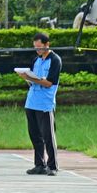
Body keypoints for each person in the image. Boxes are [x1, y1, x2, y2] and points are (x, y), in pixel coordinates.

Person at [17, 32, 62, 176]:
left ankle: (53, 166)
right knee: (35, 135)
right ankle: (39, 164)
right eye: (35, 48)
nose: (38, 50)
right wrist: (26, 77)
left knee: (48, 135)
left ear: (47, 45)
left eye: (40, 47)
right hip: (31, 102)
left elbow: (49, 83)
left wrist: (34, 79)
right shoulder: (36, 60)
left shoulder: (55, 60)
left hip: (45, 104)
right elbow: (33, 81)